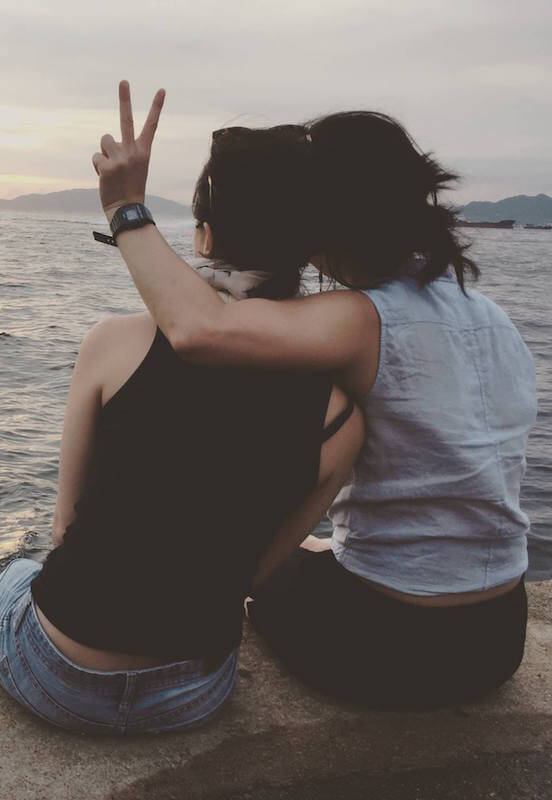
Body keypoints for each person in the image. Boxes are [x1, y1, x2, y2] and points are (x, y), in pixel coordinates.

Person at [96, 82, 537, 708]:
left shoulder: (359, 318)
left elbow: (199, 329)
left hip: (390, 640)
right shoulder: (491, 316)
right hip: (498, 638)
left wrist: (125, 208)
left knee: (251, 571)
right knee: (311, 546)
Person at [0, 93, 363, 733]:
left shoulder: (112, 343)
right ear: (309, 248)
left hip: (59, 676)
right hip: (192, 692)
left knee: (14, 577)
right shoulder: (342, 414)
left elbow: (64, 531)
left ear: (205, 236)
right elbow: (250, 573)